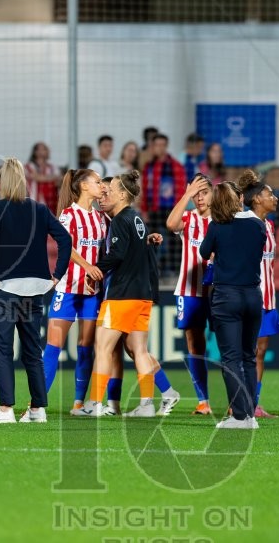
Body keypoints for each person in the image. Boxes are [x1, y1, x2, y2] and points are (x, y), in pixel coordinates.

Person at [0, 158, 72, 424]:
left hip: (5, 288)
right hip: (35, 289)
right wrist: (57, 275)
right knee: (33, 351)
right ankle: (38, 410)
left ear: (0, 183)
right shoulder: (40, 210)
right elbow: (65, 239)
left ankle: (6, 408)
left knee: (3, 350)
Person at [87, 171, 161, 417]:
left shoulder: (120, 219)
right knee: (140, 350)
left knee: (103, 347)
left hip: (122, 293)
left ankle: (96, 403)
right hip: (142, 294)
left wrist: (95, 268)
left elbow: (118, 254)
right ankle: (147, 405)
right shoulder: (137, 218)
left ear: (122, 194)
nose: (106, 191)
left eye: (112, 189)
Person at [199, 182, 266, 429]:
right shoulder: (258, 225)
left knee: (231, 358)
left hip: (227, 296)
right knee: (249, 357)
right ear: (239, 198)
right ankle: (248, 415)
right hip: (252, 295)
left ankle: (239, 417)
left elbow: (204, 252)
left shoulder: (217, 226)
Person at [39, 169, 106, 417]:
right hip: (67, 290)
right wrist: (87, 266)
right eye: (98, 182)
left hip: (92, 293)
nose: (102, 186)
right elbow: (66, 245)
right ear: (84, 186)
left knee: (86, 347)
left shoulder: (100, 218)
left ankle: (79, 404)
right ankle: (38, 405)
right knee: (53, 347)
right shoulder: (68, 216)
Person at [166, 174, 214, 415]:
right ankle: (203, 400)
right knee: (195, 344)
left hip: (218, 292)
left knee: (229, 345)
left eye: (204, 191)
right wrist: (186, 194)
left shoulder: (223, 221)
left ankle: (239, 400)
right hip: (189, 291)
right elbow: (170, 225)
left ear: (214, 193)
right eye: (196, 193)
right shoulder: (188, 217)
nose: (200, 198)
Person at [237, 169, 279, 419]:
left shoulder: (270, 224)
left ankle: (253, 403)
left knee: (259, 352)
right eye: (269, 194)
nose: (275, 197)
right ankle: (237, 401)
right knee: (243, 351)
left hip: (268, 297)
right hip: (246, 296)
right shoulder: (240, 221)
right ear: (256, 199)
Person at [141, 133, 187, 277]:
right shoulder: (149, 166)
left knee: (175, 241)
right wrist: (144, 209)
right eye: (157, 145)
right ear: (153, 147)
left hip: (171, 209)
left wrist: (179, 209)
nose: (160, 148)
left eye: (162, 145)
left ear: (166, 146)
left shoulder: (175, 166)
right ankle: (154, 268)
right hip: (154, 209)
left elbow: (181, 189)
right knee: (153, 239)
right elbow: (145, 189)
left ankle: (174, 269)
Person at [25, 142, 61, 212]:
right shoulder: (28, 166)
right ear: (35, 152)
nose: (47, 151)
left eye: (46, 149)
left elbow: (59, 181)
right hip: (34, 204)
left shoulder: (53, 167)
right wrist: (53, 177)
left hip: (52, 204)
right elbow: (37, 177)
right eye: (43, 149)